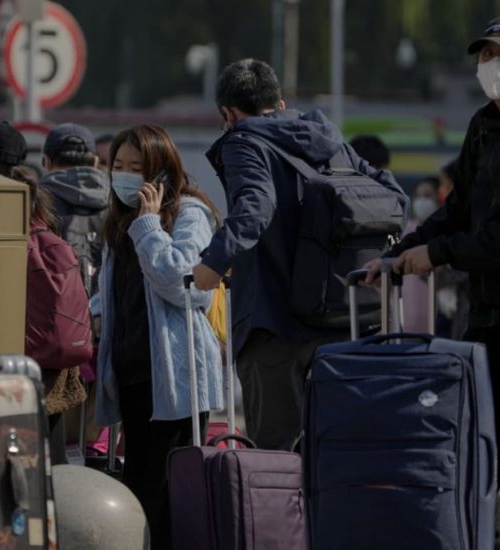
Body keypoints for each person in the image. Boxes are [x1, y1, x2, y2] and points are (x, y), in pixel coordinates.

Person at [192, 58, 406, 452]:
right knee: (335, 451)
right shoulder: (328, 140)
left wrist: (212, 263)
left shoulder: (243, 142)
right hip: (344, 320)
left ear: (227, 113)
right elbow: (394, 197)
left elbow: (255, 206)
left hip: (273, 324)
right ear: (281, 104)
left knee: (274, 459)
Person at [363, 18, 500, 450]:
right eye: (485, 55)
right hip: (485, 314)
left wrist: (435, 253)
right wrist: (399, 254)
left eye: (498, 54)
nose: (490, 64)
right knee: (479, 437)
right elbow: (457, 210)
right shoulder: (483, 126)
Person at [94, 124, 223, 549]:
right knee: (136, 492)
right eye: (119, 166)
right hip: (134, 375)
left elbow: (183, 284)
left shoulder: (189, 214)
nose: (126, 176)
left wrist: (150, 224)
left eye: (138, 167)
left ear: (162, 173)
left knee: (167, 495)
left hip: (176, 378)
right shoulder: (118, 224)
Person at [0, 123, 87, 464]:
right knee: (50, 469)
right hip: (50, 369)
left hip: (3, 368)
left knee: (9, 471)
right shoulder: (44, 217)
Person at [20, 165, 88, 465]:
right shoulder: (53, 238)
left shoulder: (6, 242)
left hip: (18, 363)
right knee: (55, 459)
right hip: (57, 367)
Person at [41, 123, 110, 297]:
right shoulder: (118, 201)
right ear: (95, 162)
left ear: (46, 161)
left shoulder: (35, 204)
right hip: (106, 313)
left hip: (56, 312)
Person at [401, 177, 441, 333]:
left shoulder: (447, 233)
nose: (422, 201)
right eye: (418, 196)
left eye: (428, 195)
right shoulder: (406, 230)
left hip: (439, 317)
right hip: (406, 314)